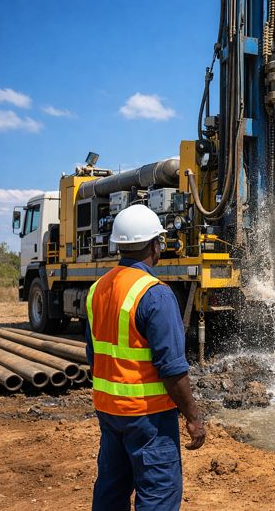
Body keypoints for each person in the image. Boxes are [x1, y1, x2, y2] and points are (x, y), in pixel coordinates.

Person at [85, 204, 206, 510]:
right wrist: (193, 417)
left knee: (111, 490)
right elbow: (172, 369)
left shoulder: (97, 289)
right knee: (158, 494)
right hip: (148, 417)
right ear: (156, 245)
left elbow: (94, 354)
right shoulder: (155, 293)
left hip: (110, 412)